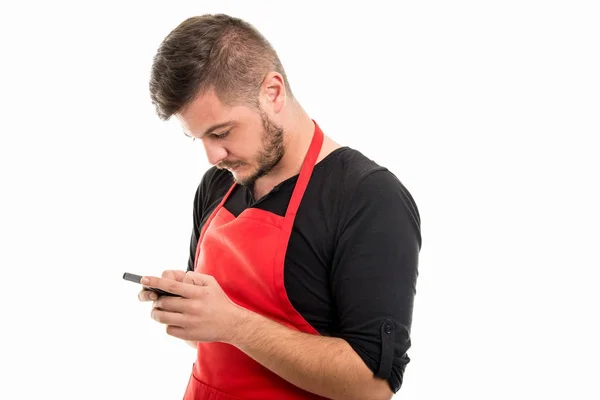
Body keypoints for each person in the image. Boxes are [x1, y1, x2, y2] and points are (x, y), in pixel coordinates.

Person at [137, 13, 422, 400]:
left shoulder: (368, 198)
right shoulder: (218, 184)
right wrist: (191, 312)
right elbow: (215, 339)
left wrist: (234, 323)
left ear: (273, 92)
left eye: (221, 132)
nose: (212, 155)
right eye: (198, 138)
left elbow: (372, 387)